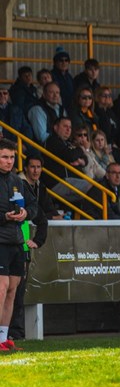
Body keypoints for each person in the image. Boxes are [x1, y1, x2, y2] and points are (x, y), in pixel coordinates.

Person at [10, 154, 58, 341]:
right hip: (8, 245)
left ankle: (14, 332)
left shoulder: (21, 188)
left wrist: (37, 240)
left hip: (20, 247)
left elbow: (40, 216)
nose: (36, 171)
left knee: (16, 291)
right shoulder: (19, 185)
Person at [0, 138, 35, 351]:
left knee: (12, 290)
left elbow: (33, 206)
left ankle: (3, 338)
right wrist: (4, 217)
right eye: (4, 157)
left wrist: (25, 213)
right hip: (0, 242)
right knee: (2, 288)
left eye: (12, 157)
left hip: (16, 242)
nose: (9, 161)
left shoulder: (17, 181)